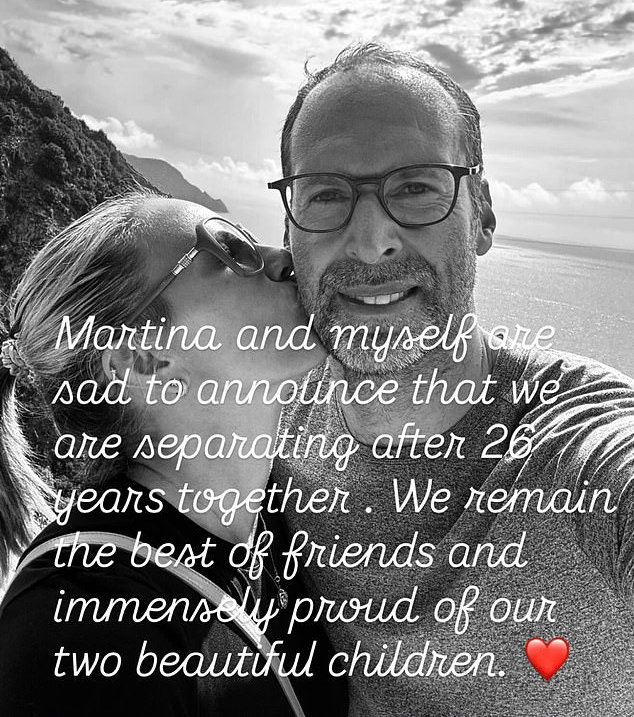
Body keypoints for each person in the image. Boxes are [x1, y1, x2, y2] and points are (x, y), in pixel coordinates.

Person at [268, 43, 634, 716]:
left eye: (416, 188)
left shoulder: (572, 440)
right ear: (290, 229)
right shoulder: (275, 419)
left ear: (483, 216)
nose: (370, 240)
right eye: (326, 194)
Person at [0, 190, 344, 716]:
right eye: (230, 250)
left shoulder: (281, 518)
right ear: (144, 359)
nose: (285, 257)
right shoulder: (79, 630)